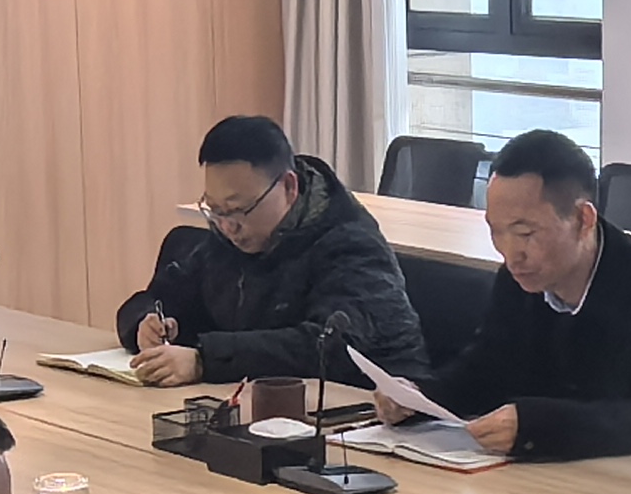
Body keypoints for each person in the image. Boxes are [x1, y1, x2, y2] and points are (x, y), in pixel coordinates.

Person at [396, 128, 631, 461]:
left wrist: (536, 426)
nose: (510, 254)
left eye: (525, 233)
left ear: (583, 219)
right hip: (563, 470)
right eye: (496, 231)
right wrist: (419, 397)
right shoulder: (519, 277)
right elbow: (486, 370)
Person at [118, 112, 429, 387]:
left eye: (238, 209)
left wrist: (204, 360)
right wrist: (146, 323)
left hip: (368, 411)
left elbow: (328, 346)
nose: (227, 226)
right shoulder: (228, 235)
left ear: (289, 187)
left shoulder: (350, 244)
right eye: (214, 209)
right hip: (266, 404)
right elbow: (158, 297)